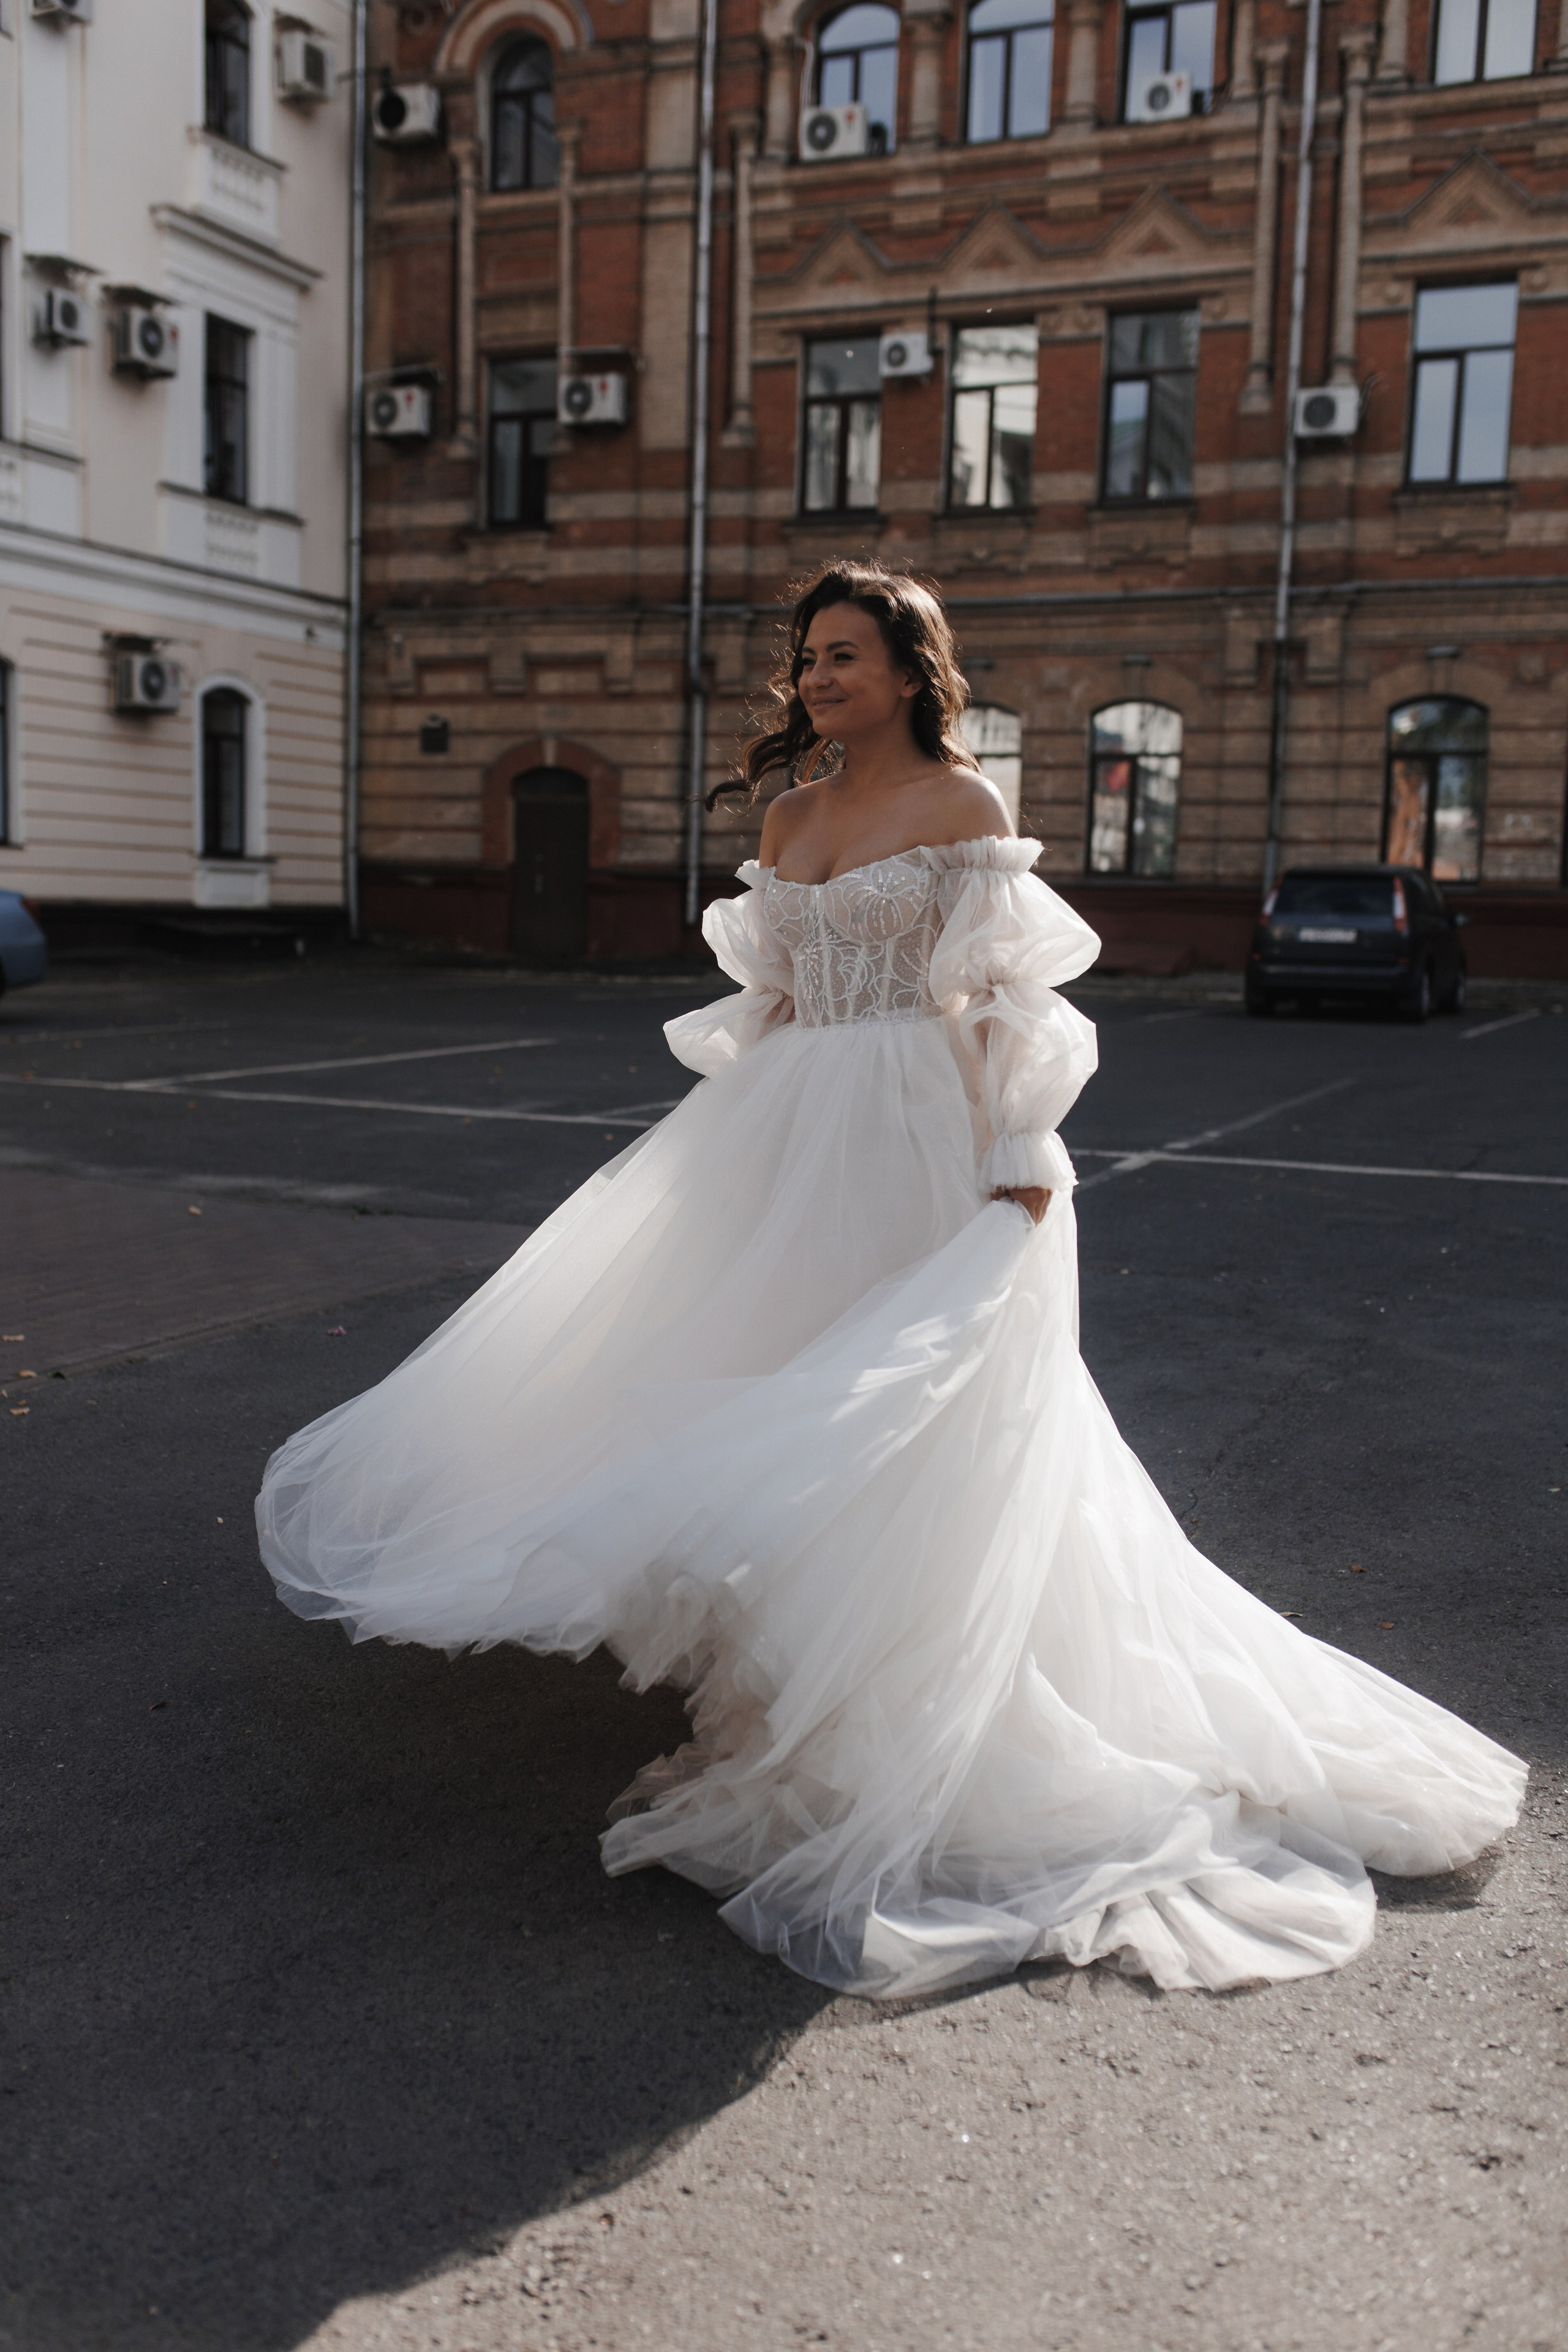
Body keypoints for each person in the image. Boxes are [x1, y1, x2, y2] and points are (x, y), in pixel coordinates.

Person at [257, 561, 1524, 2000]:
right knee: (756, 1371)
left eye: (844, 655)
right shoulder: (790, 814)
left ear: (913, 671)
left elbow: (1000, 998)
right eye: (805, 657)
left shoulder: (963, 810)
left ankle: (883, 1695)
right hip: (783, 1133)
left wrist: (1022, 1150)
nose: (815, 677)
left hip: (918, 1130)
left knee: (887, 1400)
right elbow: (775, 1001)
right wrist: (723, 1154)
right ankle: (783, 1656)